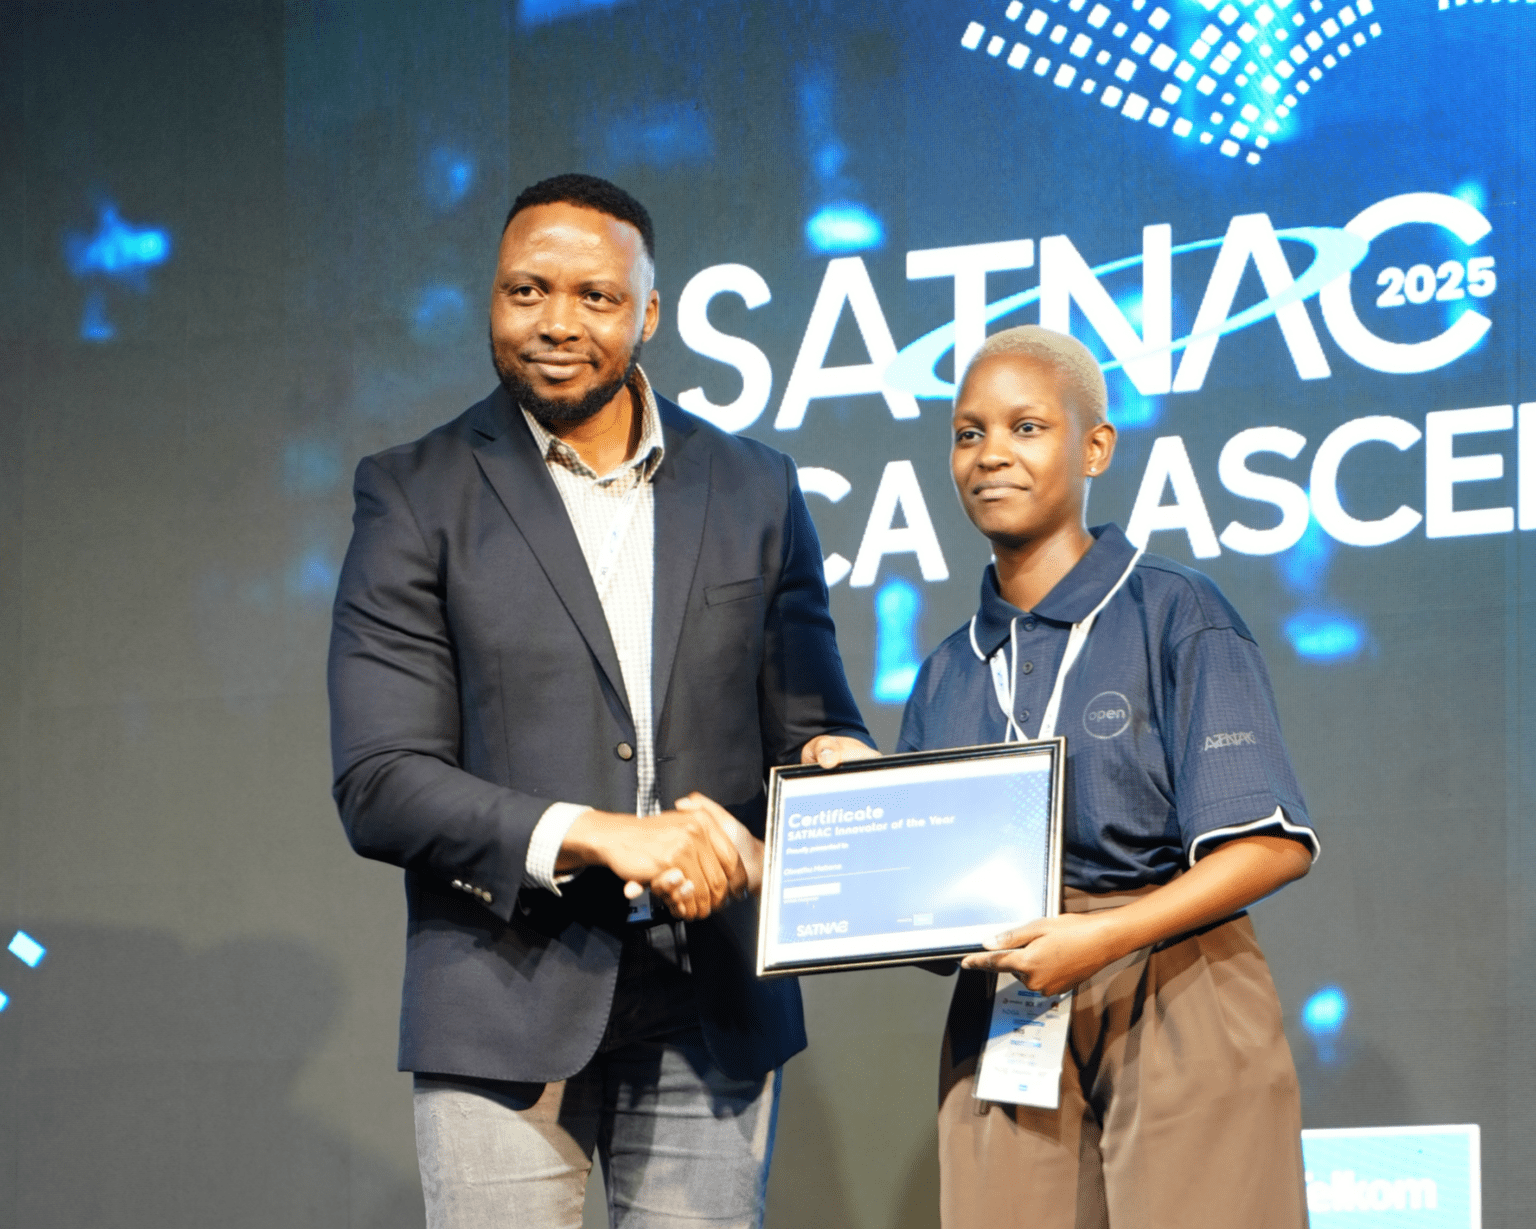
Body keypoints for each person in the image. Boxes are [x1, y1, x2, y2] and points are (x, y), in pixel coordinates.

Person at [327, 172, 873, 1229]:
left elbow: (814, 727)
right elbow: (381, 781)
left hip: (712, 998)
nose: (556, 324)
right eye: (526, 292)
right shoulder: (412, 491)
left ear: (650, 312)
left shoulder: (757, 486)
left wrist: (840, 777)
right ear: (490, 295)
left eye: (595, 296)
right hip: (500, 995)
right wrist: (606, 835)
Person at [897, 325, 1319, 1229]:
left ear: (1095, 446)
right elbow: (929, 933)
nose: (991, 455)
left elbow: (1270, 846)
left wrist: (1102, 938)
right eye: (968, 433)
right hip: (1008, 1000)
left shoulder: (1176, 609)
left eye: (1026, 427)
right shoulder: (946, 670)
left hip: (1173, 974)